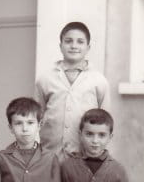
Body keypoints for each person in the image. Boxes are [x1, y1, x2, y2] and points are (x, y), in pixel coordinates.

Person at [34, 21, 110, 157]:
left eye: (80, 42)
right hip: (50, 155)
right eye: (68, 41)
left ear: (88, 47)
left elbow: (105, 122)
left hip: (84, 157)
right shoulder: (45, 79)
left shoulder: (98, 81)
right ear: (60, 46)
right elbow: (37, 117)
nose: (74, 46)